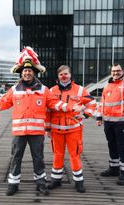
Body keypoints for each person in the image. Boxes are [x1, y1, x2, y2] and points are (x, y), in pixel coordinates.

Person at [0, 47, 82, 196]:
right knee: (16, 157)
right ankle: (13, 184)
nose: (27, 73)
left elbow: (56, 104)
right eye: (24, 71)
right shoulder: (15, 89)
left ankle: (41, 183)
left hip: (36, 132)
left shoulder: (43, 90)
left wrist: (71, 107)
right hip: (19, 132)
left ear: (34, 72)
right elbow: (1, 103)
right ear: (21, 73)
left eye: (29, 71)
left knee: (39, 158)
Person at [45, 65, 97, 193]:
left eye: (66, 74)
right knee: (57, 155)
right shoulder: (52, 91)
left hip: (74, 129)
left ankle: (79, 182)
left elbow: (92, 104)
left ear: (70, 75)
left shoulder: (80, 90)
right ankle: (56, 180)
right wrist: (47, 128)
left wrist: (85, 114)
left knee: (75, 155)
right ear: (58, 76)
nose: (64, 76)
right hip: (56, 130)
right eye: (61, 74)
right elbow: (47, 111)